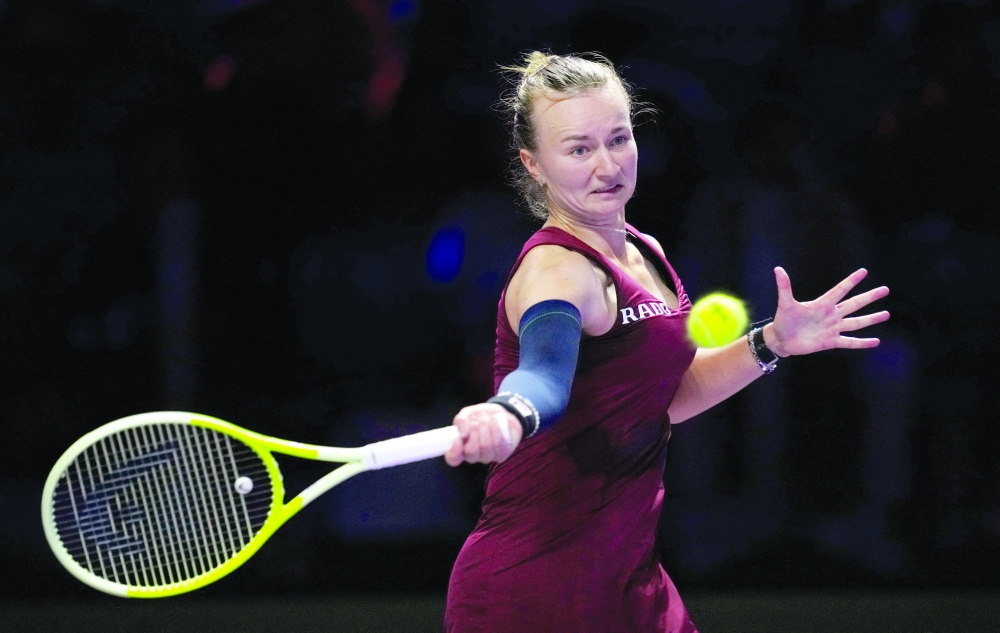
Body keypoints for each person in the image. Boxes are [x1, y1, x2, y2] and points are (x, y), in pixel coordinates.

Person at [441, 51, 889, 633]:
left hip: (633, 582)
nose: (607, 166)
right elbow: (544, 376)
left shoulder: (642, 250)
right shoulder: (557, 270)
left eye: (618, 139)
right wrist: (511, 412)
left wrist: (773, 341)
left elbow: (665, 399)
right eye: (578, 149)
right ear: (534, 164)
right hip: (531, 589)